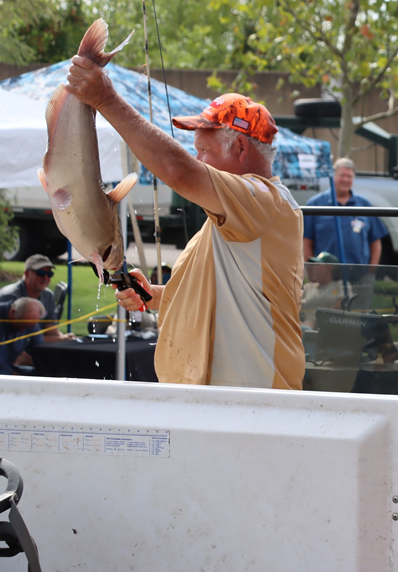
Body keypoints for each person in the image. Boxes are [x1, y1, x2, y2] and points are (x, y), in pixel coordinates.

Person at [65, 60, 305, 390]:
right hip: (222, 401)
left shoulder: (263, 199)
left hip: (252, 401)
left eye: (203, 151)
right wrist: (157, 295)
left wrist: (106, 99)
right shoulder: (233, 214)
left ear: (239, 147)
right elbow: (221, 295)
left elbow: (178, 170)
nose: (198, 161)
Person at [303, 158, 388, 310]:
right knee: (326, 316)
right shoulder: (316, 204)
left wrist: (371, 269)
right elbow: (306, 241)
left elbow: (375, 240)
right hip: (327, 276)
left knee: (358, 318)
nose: (345, 179)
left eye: (349, 176)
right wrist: (311, 269)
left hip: (360, 275)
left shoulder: (364, 205)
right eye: (342, 175)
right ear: (333, 176)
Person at [0, 254, 75, 342]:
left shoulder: (48, 295)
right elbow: (17, 339)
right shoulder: (10, 296)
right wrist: (60, 339)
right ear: (27, 273)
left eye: (49, 274)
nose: (45, 277)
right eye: (41, 273)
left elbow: (51, 330)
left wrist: (67, 339)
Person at [0, 297, 45, 374]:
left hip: (10, 367)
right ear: (12, 312)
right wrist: (11, 373)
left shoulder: (29, 321)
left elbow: (39, 347)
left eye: (28, 327)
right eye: (21, 325)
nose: (22, 330)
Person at [302, 252, 348, 316]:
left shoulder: (341, 284)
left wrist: (320, 318)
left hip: (328, 323)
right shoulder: (307, 287)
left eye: (317, 265)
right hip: (303, 324)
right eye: (313, 265)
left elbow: (343, 302)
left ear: (329, 268)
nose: (313, 268)